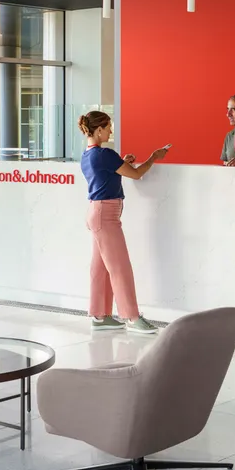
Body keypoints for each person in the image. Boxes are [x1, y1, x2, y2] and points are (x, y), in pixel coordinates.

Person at [78, 110, 168, 335]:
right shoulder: (104, 154)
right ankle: (132, 317)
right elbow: (137, 174)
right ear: (98, 130)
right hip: (106, 216)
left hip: (97, 213)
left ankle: (100, 317)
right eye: (108, 127)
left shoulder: (88, 155)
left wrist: (122, 162)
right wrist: (154, 157)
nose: (110, 131)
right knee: (120, 268)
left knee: (100, 268)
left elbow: (109, 174)